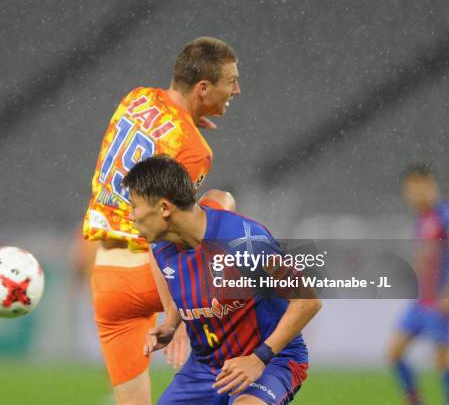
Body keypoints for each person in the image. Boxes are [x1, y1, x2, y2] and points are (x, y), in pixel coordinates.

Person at [83, 37, 240, 404]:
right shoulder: (193, 149)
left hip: (108, 282)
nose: (236, 89)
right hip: (148, 275)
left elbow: (155, 139)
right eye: (230, 81)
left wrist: (190, 118)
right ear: (203, 88)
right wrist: (181, 311)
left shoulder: (135, 98)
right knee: (220, 202)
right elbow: (168, 231)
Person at [122, 155, 322, 405]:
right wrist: (171, 325)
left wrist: (259, 358)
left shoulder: (246, 239)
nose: (130, 216)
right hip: (206, 367)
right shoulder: (160, 248)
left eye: (134, 206)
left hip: (272, 361)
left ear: (164, 208)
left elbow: (308, 301)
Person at [389, 164, 449, 405]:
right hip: (421, 301)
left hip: (440, 300)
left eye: (417, 188)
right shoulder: (422, 219)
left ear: (431, 184)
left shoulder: (445, 216)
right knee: (394, 351)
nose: (413, 194)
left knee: (443, 359)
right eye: (409, 190)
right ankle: (415, 401)